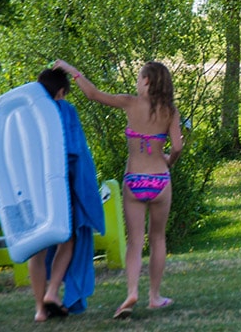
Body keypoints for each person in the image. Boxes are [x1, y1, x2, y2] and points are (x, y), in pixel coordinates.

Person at [54, 60, 183, 320]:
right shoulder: (170, 111)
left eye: (139, 77)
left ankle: (132, 292)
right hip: (160, 179)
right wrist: (169, 161)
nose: (137, 82)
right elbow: (178, 146)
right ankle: (155, 297)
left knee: (135, 242)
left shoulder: (129, 103)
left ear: (146, 80)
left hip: (134, 180)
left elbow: (93, 94)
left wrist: (71, 70)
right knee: (157, 238)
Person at [30, 68, 104, 322]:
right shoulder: (65, 111)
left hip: (31, 189)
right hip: (59, 187)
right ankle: (52, 292)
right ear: (61, 92)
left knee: (37, 249)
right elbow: (76, 155)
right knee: (67, 240)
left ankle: (40, 310)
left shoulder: (27, 113)